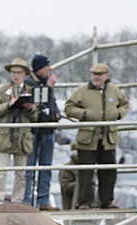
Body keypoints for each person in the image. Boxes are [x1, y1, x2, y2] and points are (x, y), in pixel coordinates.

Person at [64, 63, 129, 209]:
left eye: (99, 74)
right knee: (86, 171)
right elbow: (69, 107)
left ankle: (107, 200)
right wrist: (84, 114)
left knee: (108, 170)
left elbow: (125, 104)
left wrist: (118, 114)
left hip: (107, 138)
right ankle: (84, 202)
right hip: (87, 138)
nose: (96, 77)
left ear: (106, 76)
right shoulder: (82, 91)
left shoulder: (114, 91)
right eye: (94, 74)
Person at [0, 57, 38, 204]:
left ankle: (17, 201)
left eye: (19, 72)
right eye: (13, 72)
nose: (16, 75)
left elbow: (36, 117)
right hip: (5, 137)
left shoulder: (30, 91)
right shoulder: (2, 91)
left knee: (21, 173)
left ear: (25, 74)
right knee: (1, 171)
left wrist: (30, 108)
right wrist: (8, 105)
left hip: (22, 138)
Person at [23, 54, 61, 210]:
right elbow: (39, 102)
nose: (49, 70)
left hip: (48, 130)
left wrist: (56, 112)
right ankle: (27, 201)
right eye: (47, 67)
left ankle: (43, 200)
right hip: (33, 130)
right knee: (29, 169)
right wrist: (50, 88)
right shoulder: (28, 84)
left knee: (46, 167)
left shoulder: (46, 83)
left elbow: (50, 103)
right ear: (39, 68)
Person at [59, 143, 80, 210]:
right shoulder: (66, 168)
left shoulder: (90, 167)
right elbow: (65, 186)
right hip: (70, 206)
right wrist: (80, 183)